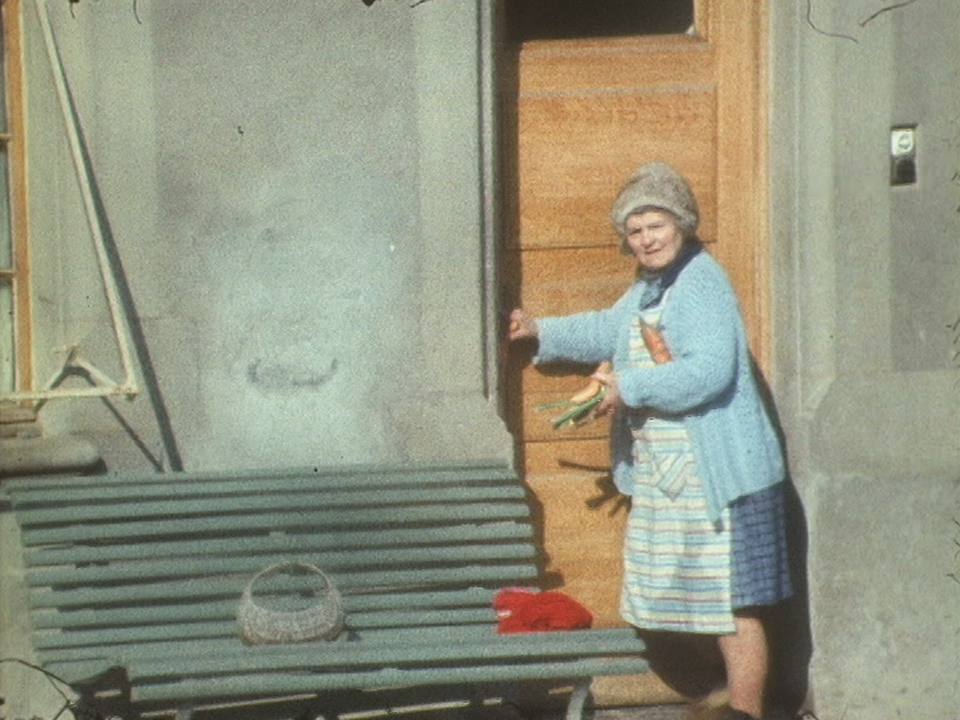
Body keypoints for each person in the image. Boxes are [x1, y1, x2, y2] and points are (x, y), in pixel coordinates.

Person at [507, 162, 793, 720]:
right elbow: (607, 329)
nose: (645, 239)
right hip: (678, 476)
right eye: (635, 230)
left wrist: (629, 385)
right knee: (684, 601)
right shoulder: (650, 287)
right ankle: (720, 702)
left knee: (732, 606)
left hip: (721, 474)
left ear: (682, 223)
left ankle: (747, 712)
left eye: (655, 225)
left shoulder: (702, 281)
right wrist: (541, 330)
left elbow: (710, 370)